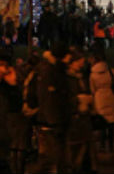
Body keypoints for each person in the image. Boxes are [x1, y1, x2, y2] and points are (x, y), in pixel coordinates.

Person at [36, 42, 72, 174]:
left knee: (57, 156)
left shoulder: (58, 69)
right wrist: (53, 121)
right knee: (52, 157)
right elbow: (49, 98)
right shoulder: (51, 71)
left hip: (57, 120)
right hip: (53, 121)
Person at [88, 46, 114, 156]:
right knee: (111, 124)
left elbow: (92, 89)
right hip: (110, 96)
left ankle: (102, 145)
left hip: (99, 98)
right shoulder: (110, 71)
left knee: (102, 122)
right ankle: (111, 146)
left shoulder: (93, 74)